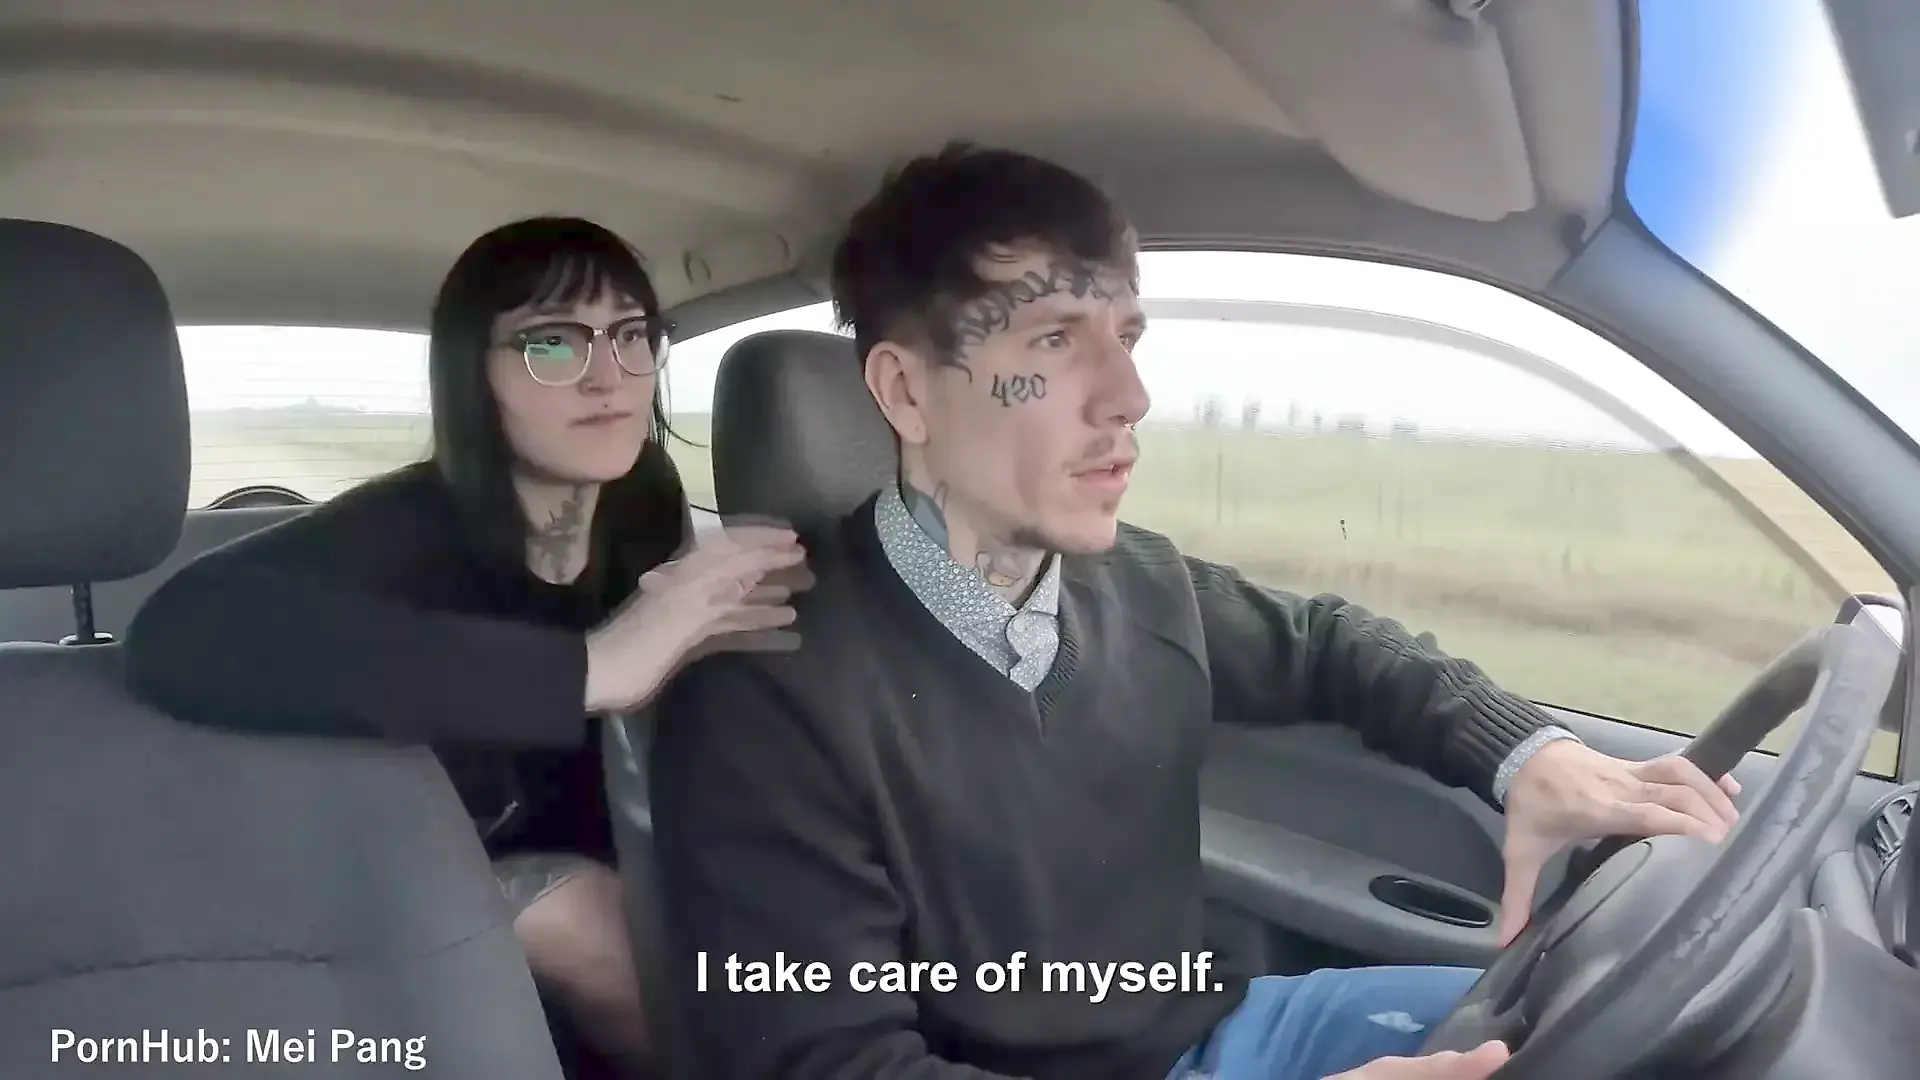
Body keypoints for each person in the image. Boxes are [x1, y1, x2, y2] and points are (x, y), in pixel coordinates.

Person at [648, 145, 1743, 1080]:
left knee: (1615, 1018)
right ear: (905, 392)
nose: (1130, 397)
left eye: (1126, 338)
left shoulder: (1142, 585)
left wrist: (1527, 756)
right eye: (1053, 341)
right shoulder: (763, 692)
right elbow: (839, 1068)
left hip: (1229, 1035)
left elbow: (1332, 645)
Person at [124, 216, 808, 1078]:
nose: (607, 375)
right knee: (584, 922)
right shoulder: (403, 529)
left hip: (626, 869)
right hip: (433, 899)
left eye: (632, 335)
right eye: (551, 342)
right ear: (471, 376)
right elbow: (179, 632)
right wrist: (594, 667)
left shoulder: (645, 503)